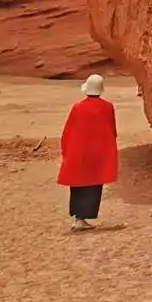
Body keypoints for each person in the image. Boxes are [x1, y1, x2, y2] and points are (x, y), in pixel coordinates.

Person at [57, 74, 119, 230]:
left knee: (78, 183)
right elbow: (112, 130)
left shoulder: (77, 107)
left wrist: (66, 150)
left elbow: (68, 130)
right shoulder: (107, 106)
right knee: (93, 185)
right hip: (98, 152)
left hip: (78, 151)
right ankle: (82, 219)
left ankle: (79, 218)